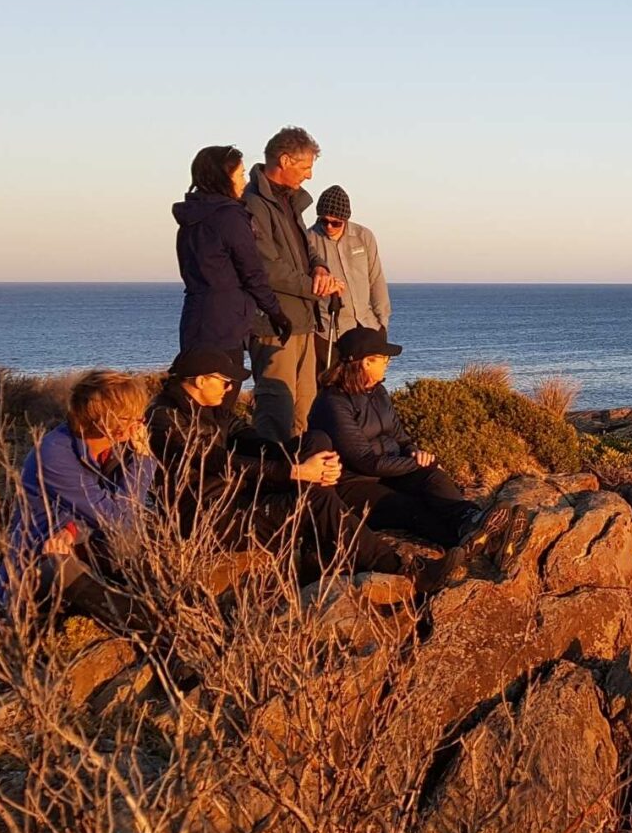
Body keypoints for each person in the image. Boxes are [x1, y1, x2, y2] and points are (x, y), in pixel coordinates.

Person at [146, 348, 434, 580]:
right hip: (211, 514)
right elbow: (217, 462)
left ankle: (316, 554)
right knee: (315, 500)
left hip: (241, 493)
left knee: (316, 440)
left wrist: (310, 463)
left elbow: (253, 442)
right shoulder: (163, 419)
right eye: (224, 381)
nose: (231, 387)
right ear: (200, 380)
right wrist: (294, 471)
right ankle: (400, 568)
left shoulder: (213, 410)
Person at [0, 370, 158, 626]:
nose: (141, 423)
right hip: (38, 567)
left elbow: (119, 515)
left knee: (142, 539)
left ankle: (142, 609)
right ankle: (138, 618)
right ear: (109, 424)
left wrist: (72, 530)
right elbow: (118, 519)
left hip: (86, 548)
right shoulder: (54, 455)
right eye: (135, 417)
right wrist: (144, 462)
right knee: (62, 566)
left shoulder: (114, 450)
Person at [309, 328, 478, 546]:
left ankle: (473, 521)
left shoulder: (379, 392)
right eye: (383, 358)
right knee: (409, 506)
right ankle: (460, 544)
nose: (388, 362)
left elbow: (401, 438)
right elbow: (366, 462)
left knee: (434, 478)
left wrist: (415, 452)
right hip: (354, 483)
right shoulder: (333, 403)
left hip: (390, 471)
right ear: (365, 362)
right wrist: (414, 465)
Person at [174, 145, 292, 409]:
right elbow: (252, 272)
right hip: (224, 324)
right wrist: (277, 313)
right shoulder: (229, 216)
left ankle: (191, 448)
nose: (244, 181)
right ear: (222, 177)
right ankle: (213, 450)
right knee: (221, 401)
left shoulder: (190, 218)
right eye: (239, 175)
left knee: (194, 402)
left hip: (195, 318)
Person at [243, 126, 341, 443]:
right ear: (285, 160)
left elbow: (305, 248)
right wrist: (314, 286)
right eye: (306, 167)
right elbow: (265, 268)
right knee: (276, 406)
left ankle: (303, 480)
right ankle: (273, 478)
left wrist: (321, 267)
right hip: (273, 323)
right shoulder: (254, 204)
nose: (310, 176)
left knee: (305, 406)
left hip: (301, 319)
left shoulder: (289, 201)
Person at [307, 185, 391, 358]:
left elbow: (376, 279)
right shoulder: (308, 240)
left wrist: (382, 323)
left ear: (345, 219)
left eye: (335, 222)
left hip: (367, 326)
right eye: (324, 221)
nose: (329, 227)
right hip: (328, 332)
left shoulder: (364, 236)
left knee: (366, 383)